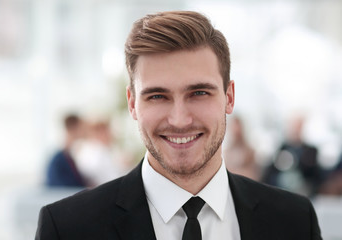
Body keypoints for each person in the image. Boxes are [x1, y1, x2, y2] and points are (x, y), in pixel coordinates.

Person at [36, 11, 322, 240]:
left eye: (199, 93)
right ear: (133, 104)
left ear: (229, 97)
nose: (180, 120)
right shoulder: (68, 228)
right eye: (158, 96)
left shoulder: (295, 221)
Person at [262, 115, 325, 197]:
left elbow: (314, 174)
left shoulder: (310, 150)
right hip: (281, 190)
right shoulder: (282, 148)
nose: (295, 130)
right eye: (293, 127)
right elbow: (271, 170)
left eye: (298, 127)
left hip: (302, 190)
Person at [45, 114, 87, 187]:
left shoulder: (71, 156)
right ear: (73, 129)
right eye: (82, 128)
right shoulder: (58, 160)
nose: (85, 131)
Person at [224, 115, 260, 181]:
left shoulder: (250, 151)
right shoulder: (226, 152)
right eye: (233, 127)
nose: (236, 130)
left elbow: (253, 174)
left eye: (237, 127)